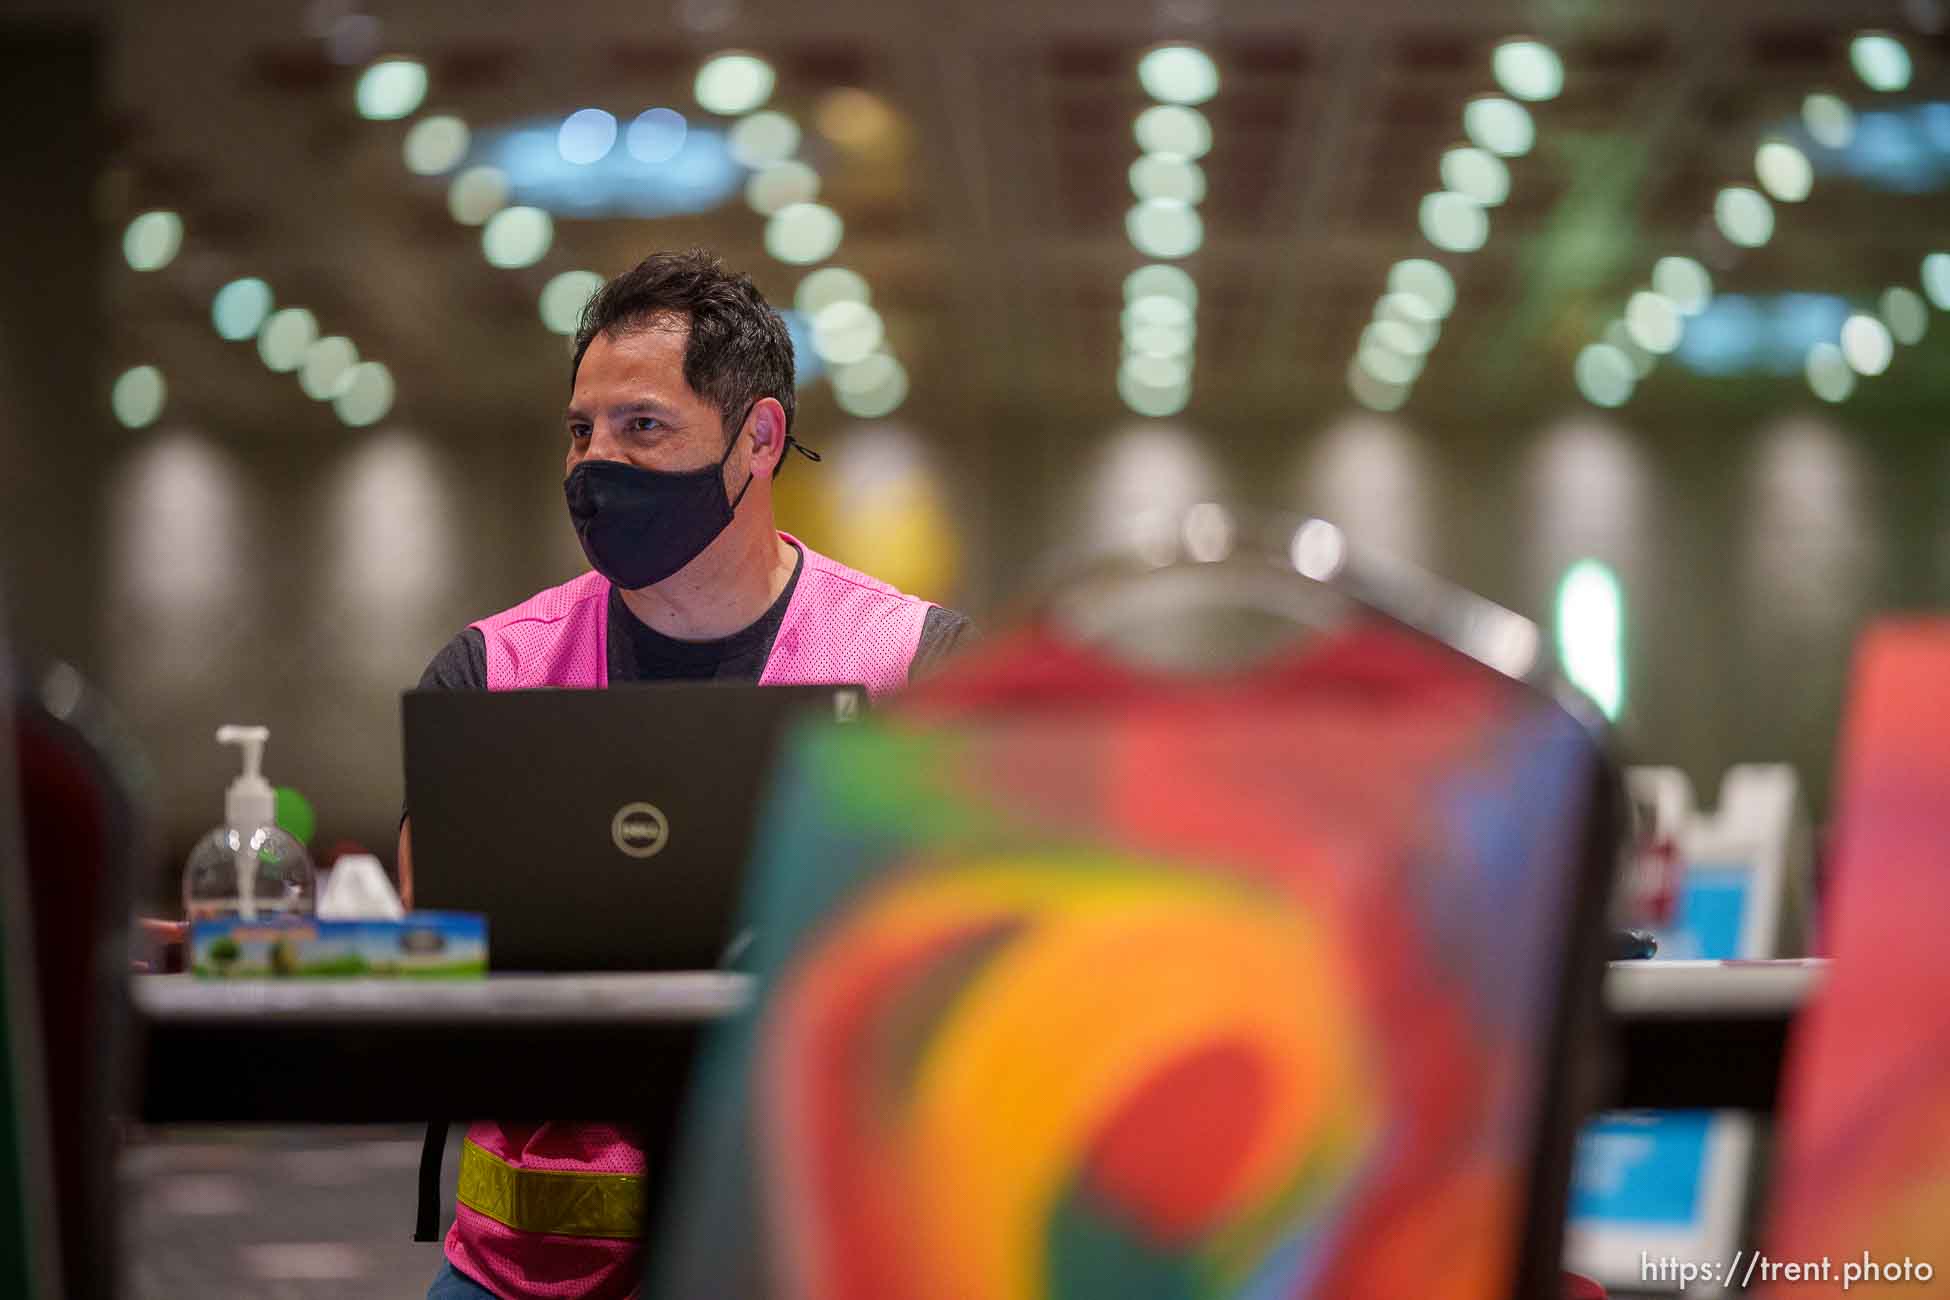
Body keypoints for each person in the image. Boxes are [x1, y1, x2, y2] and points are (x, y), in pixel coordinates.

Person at [405, 249, 970, 1299]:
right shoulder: (493, 668)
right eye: (581, 430)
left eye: (641, 427)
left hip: (808, 1259)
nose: (593, 462)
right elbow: (427, 935)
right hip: (519, 1275)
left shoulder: (911, 665)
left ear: (757, 438)